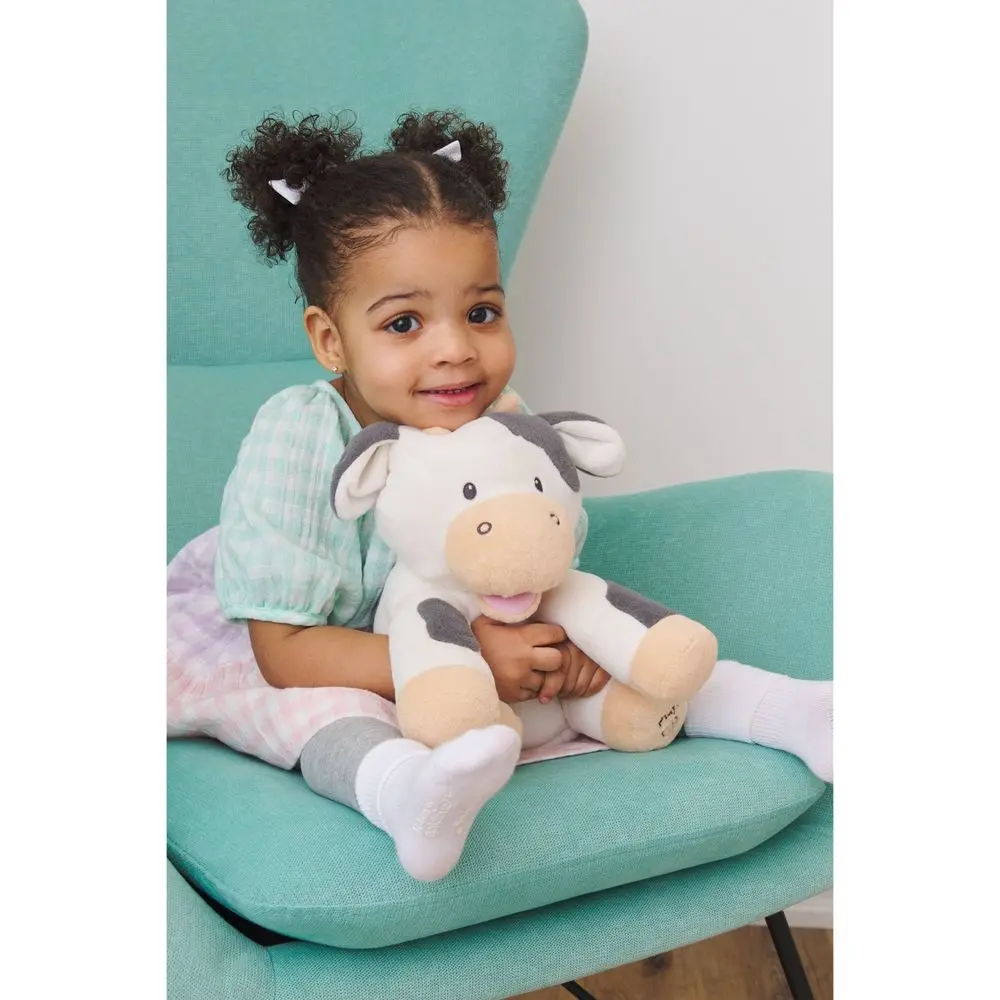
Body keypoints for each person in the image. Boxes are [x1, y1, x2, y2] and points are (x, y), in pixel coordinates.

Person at [167, 109, 833, 882]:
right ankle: (406, 796)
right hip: (318, 653)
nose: (455, 349)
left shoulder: (500, 422)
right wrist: (476, 655)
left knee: (624, 644)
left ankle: (785, 709)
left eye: (481, 312)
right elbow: (284, 653)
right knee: (323, 714)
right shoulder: (298, 438)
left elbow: (529, 569)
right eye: (404, 323)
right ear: (330, 340)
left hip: (461, 652)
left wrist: (556, 650)